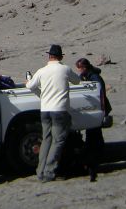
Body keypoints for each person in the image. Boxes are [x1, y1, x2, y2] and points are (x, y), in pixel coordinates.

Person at [26, 44, 80, 182]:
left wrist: (41, 94)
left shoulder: (42, 70)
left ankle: (40, 170)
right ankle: (49, 171)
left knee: (46, 140)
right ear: (61, 56)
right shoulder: (65, 69)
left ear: (49, 56)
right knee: (58, 141)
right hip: (60, 110)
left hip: (45, 110)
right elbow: (77, 81)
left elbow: (30, 85)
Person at [75, 57, 111, 182]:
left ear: (84, 67)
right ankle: (99, 152)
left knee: (93, 133)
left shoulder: (94, 77)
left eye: (79, 69)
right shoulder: (90, 75)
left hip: (100, 107)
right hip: (100, 107)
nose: (79, 71)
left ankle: (96, 154)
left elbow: (99, 92)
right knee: (95, 133)